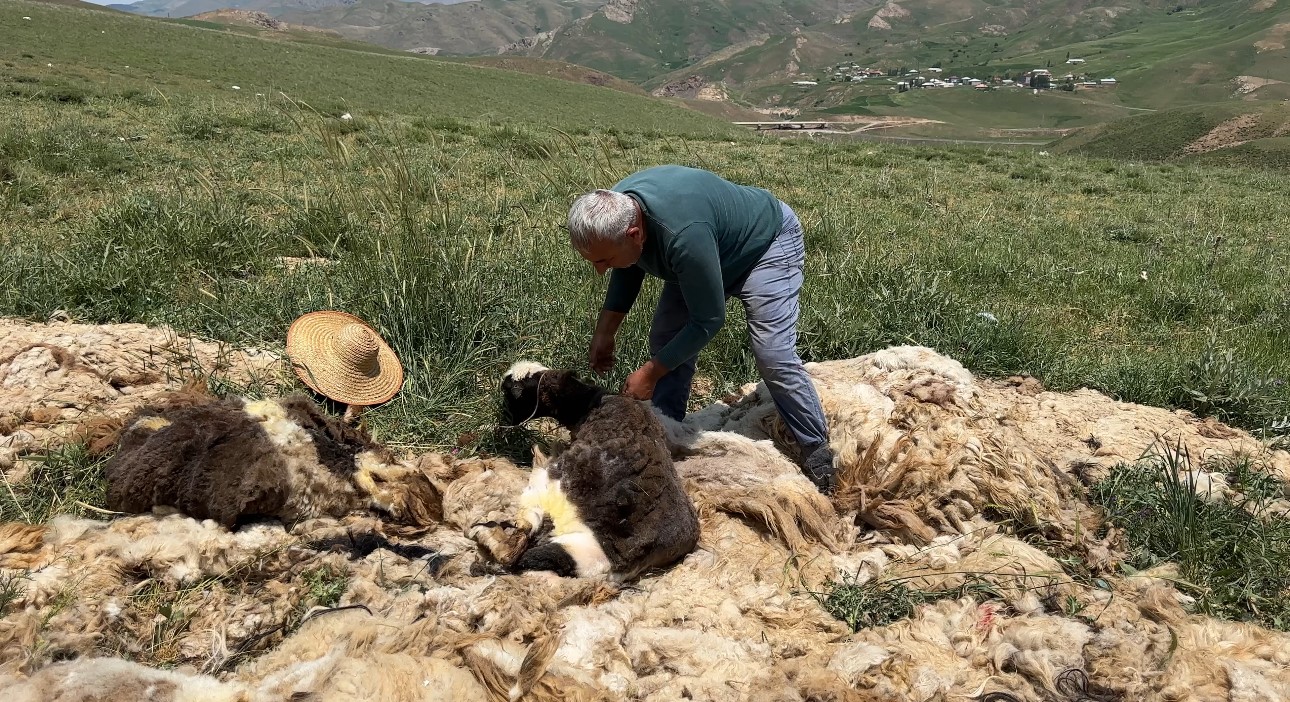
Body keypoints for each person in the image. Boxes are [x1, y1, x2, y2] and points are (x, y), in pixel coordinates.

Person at [566, 164, 836, 494]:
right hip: (707, 249)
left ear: (634, 234)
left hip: (765, 245)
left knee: (773, 354)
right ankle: (666, 438)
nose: (599, 271)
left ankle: (819, 456)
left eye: (603, 261)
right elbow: (627, 264)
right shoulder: (618, 211)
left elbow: (708, 320)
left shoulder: (681, 234)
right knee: (667, 336)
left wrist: (650, 375)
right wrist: (605, 332)